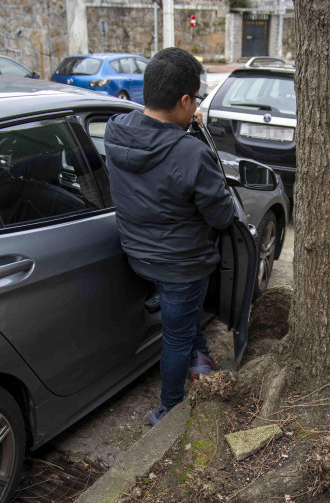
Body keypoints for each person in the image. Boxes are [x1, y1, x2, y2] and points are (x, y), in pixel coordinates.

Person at [104, 48, 235, 426]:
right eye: (194, 99)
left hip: (137, 255)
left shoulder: (116, 130)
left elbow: (156, 148)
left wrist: (186, 127)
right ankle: (169, 407)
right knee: (175, 337)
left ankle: (200, 355)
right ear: (184, 101)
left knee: (181, 316)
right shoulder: (191, 154)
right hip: (181, 265)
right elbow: (222, 215)